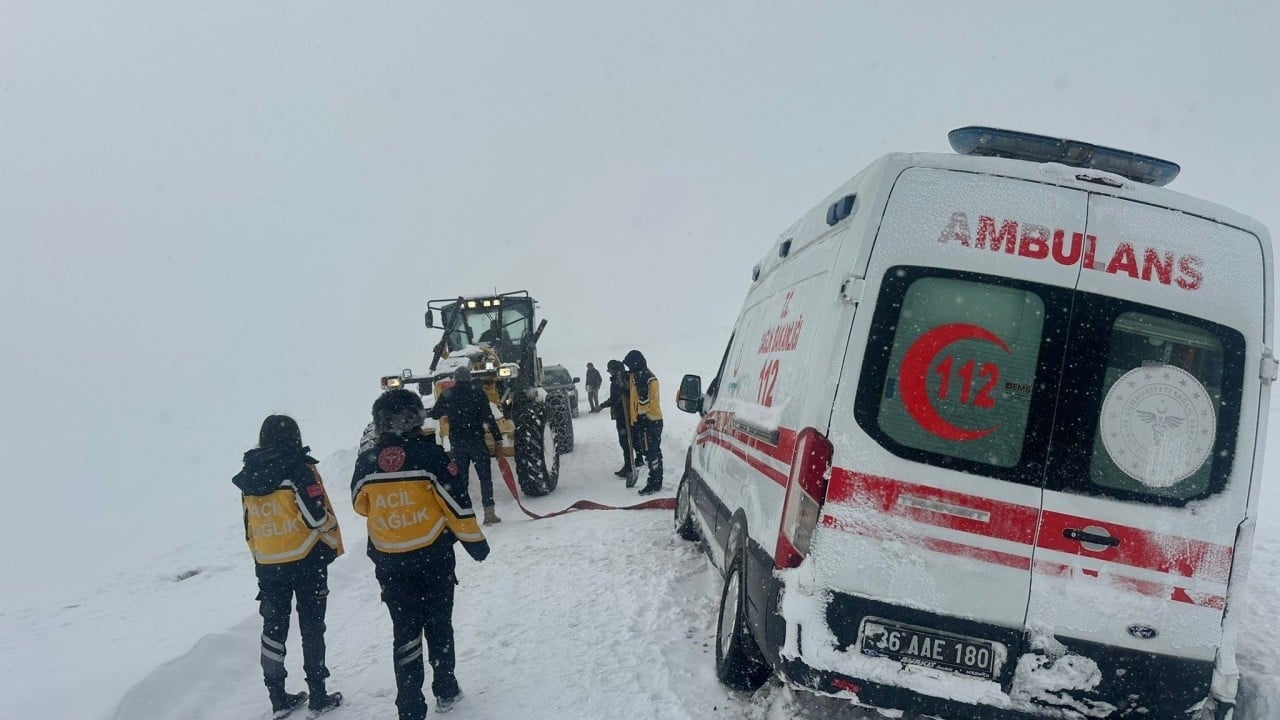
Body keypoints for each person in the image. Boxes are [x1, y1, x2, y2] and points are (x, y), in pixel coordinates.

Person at [352, 389, 490, 719]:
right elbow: (457, 505)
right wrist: (475, 544)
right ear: (415, 418)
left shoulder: (366, 462)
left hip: (390, 563)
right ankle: (445, 687)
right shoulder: (432, 456)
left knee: (404, 632)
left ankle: (410, 704)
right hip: (433, 559)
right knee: (439, 624)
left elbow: (360, 504)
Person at [233, 415, 345, 718]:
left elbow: (248, 525)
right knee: (311, 626)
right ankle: (318, 695)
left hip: (268, 564)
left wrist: (262, 558)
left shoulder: (248, 475)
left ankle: (278, 698)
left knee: (273, 629)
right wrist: (330, 527)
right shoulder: (298, 468)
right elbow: (316, 517)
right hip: (306, 559)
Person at [428, 366, 504, 525]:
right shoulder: (478, 393)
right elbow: (489, 417)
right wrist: (497, 438)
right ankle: (489, 514)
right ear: (469, 378)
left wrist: (449, 412)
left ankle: (465, 515)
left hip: (458, 444)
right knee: (485, 478)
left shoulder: (447, 394)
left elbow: (435, 415)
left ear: (455, 379)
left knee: (461, 481)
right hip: (477, 441)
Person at [594, 359, 643, 481]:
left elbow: (615, 399)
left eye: (610, 370)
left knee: (625, 442)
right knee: (633, 439)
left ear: (614, 370)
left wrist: (602, 406)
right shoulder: (626, 377)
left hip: (624, 415)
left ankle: (629, 467)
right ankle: (638, 459)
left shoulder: (619, 380)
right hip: (630, 414)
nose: (609, 372)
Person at [624, 350, 664, 495]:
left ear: (636, 363)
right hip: (647, 419)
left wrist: (641, 418)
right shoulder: (638, 374)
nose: (629, 369)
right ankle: (656, 480)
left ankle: (654, 482)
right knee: (652, 451)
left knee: (651, 453)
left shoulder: (644, 377)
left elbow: (644, 401)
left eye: (630, 365)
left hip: (649, 420)